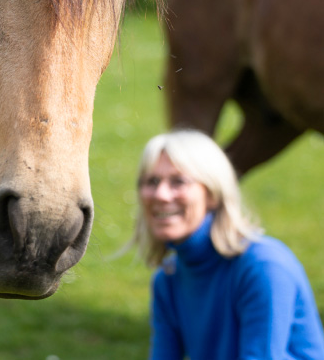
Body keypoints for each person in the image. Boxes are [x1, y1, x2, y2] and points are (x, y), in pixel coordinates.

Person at [133, 129, 324, 360]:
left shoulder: (263, 268)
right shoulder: (168, 280)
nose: (161, 194)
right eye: (152, 181)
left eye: (178, 181)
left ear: (213, 193)